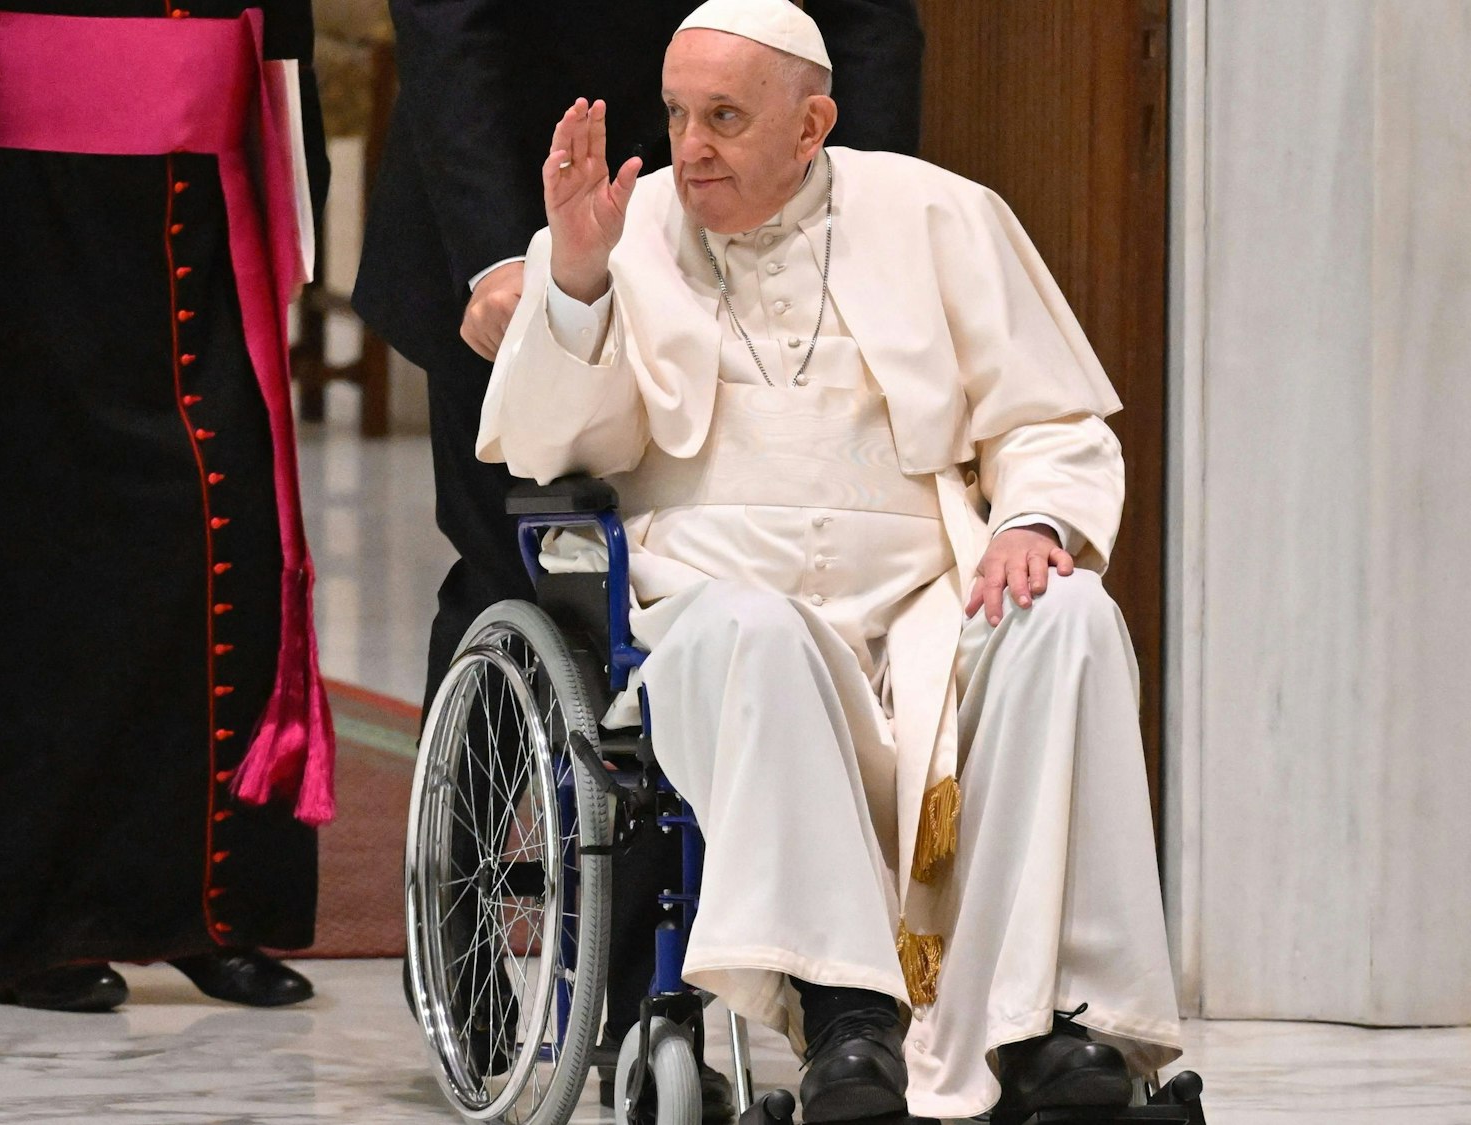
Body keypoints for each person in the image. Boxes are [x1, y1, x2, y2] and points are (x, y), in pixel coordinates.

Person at [476, 0, 1183, 1119]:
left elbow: (1050, 423)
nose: (689, 146)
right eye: (674, 114)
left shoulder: (939, 214)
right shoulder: (627, 223)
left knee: (1069, 615)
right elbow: (558, 446)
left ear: (812, 126)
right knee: (752, 630)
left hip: (925, 607)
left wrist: (1030, 525)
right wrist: (574, 278)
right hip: (714, 597)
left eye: (723, 117)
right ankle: (845, 1020)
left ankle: (1053, 1024)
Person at [353, 2, 923, 1110]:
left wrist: (864, 222)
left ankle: (793, 981)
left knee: (721, 578)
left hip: (761, 225)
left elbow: (869, 26)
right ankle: (511, 980)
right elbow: (453, 32)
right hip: (522, 223)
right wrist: (499, 259)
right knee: (525, 571)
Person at [0, 0, 337, 1014]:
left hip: (209, 205)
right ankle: (46, 921)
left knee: (226, 549)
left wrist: (292, 181)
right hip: (28, 225)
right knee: (50, 582)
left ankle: (213, 910)